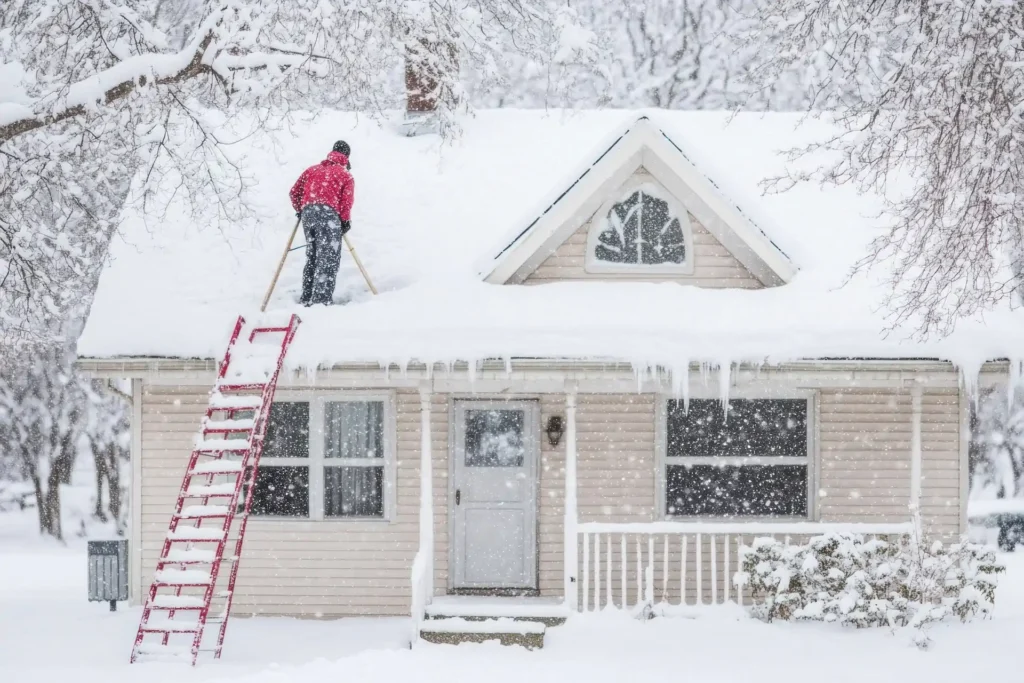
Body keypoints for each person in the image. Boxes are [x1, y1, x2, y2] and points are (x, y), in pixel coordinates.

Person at [288, 141, 355, 306]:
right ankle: (321, 301)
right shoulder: (345, 175)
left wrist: (301, 209)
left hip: (308, 214)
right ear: (346, 157)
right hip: (328, 216)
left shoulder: (312, 170)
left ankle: (307, 297)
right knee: (328, 258)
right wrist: (345, 221)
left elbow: (294, 192)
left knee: (313, 255)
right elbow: (346, 202)